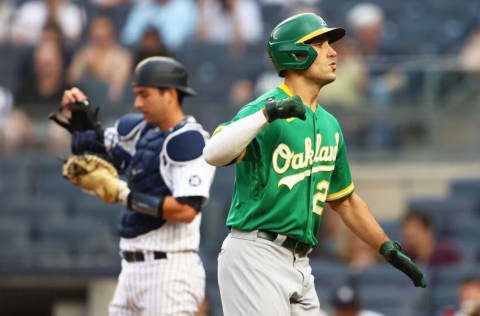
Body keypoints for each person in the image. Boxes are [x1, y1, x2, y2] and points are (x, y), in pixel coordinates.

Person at [203, 12, 426, 315]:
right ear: (296, 53)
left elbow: (344, 201)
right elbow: (213, 153)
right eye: (321, 44)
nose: (333, 52)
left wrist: (386, 247)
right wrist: (267, 114)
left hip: (300, 261)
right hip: (255, 254)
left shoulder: (330, 124)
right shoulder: (264, 109)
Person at [59, 56, 216, 315]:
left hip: (169, 271)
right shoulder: (141, 131)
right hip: (130, 269)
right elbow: (94, 145)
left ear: (170, 94)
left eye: (145, 94)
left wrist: (122, 193)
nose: (137, 103)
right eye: (136, 94)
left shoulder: (190, 141)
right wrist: (79, 111)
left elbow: (186, 211)